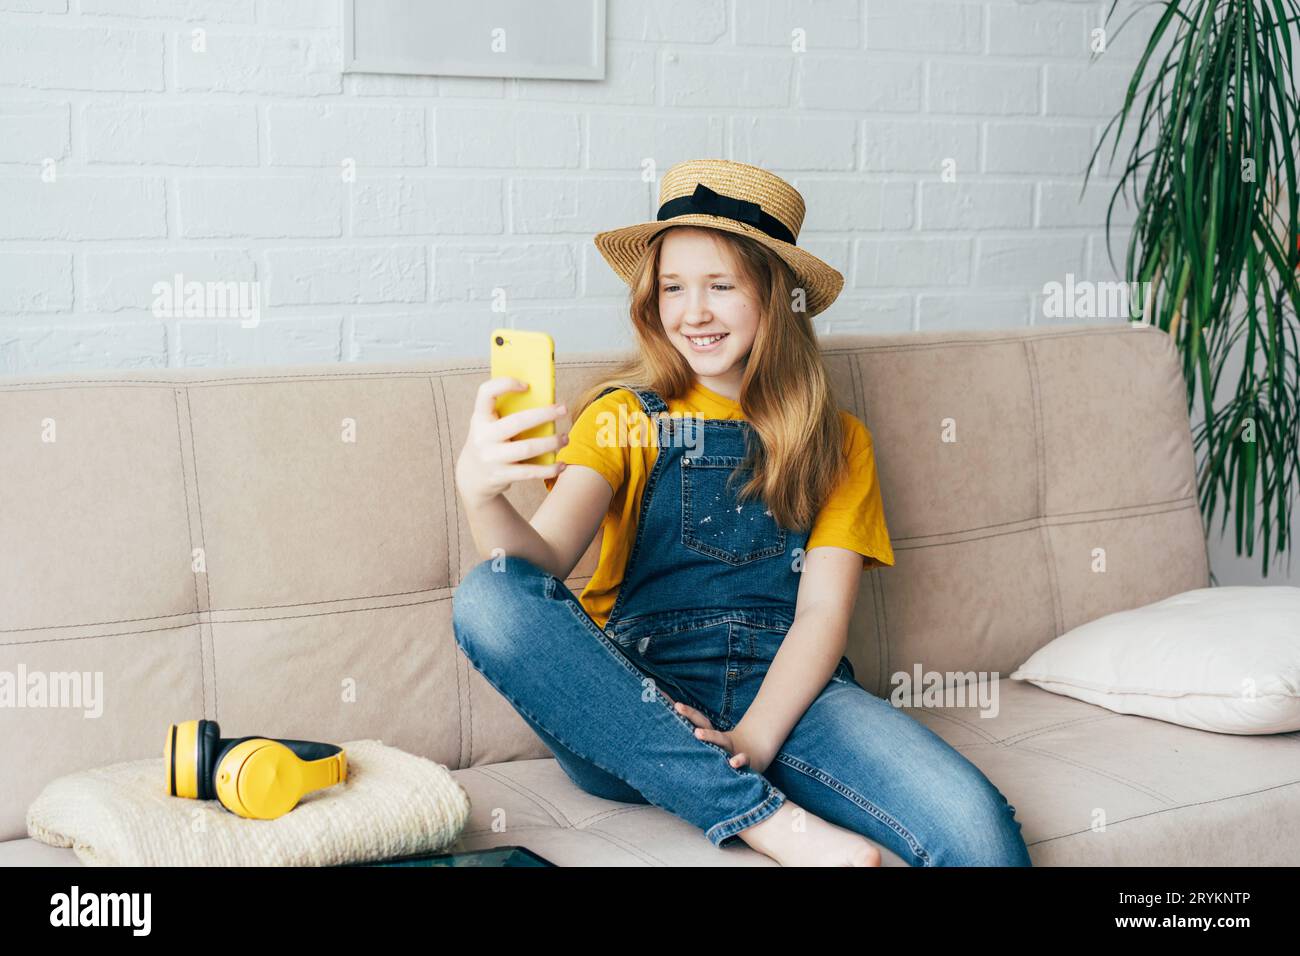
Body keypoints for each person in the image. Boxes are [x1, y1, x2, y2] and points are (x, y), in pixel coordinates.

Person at [452, 159, 1031, 867]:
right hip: (634, 705)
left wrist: (754, 739)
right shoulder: (622, 417)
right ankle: (765, 822)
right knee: (489, 590)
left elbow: (821, 616)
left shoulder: (838, 443)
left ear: (778, 297)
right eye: (673, 288)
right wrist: (482, 493)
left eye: (721, 285)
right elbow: (535, 568)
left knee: (979, 833)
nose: (692, 311)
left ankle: (737, 789)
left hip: (788, 700)